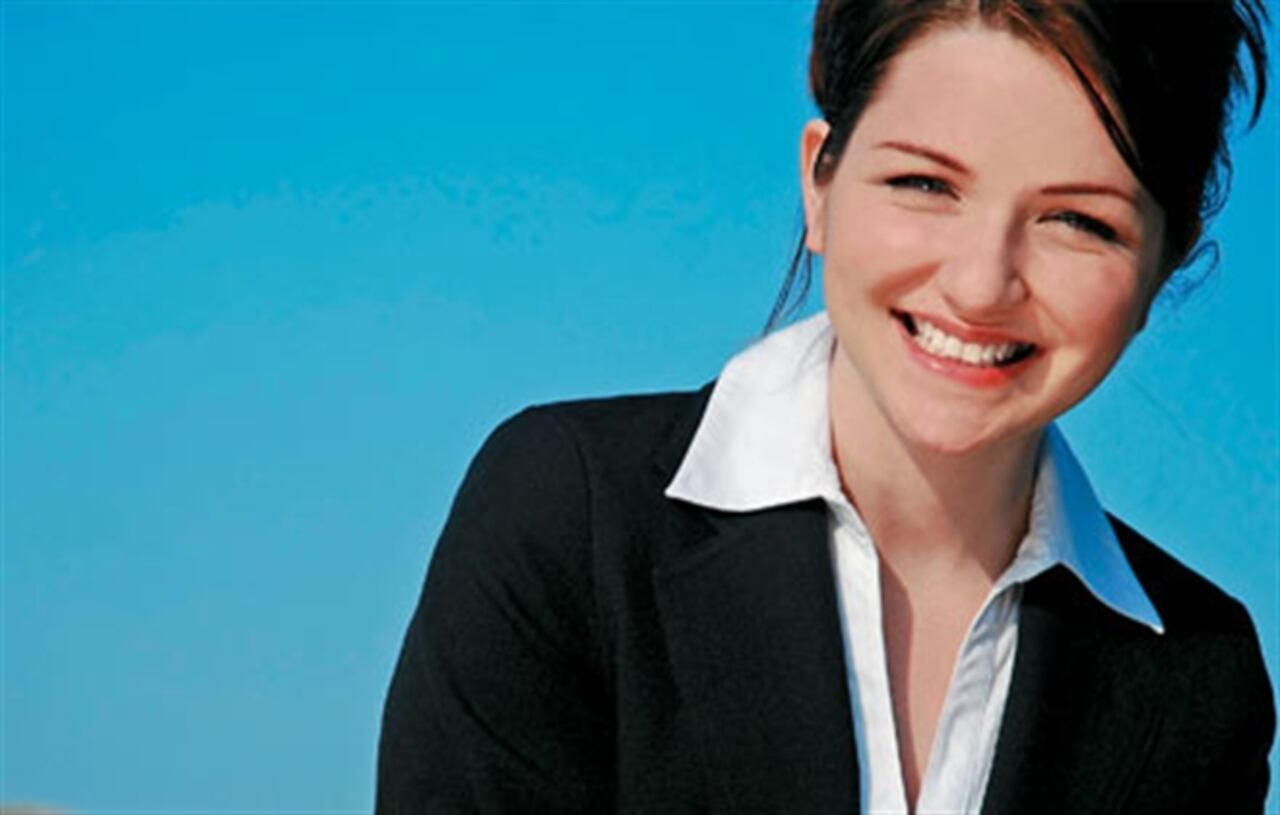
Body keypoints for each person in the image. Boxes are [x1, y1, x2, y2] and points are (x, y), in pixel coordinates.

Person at [377, 1, 1273, 812]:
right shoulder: (567, 519)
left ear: (1164, 266)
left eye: (1079, 222)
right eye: (925, 183)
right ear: (820, 182)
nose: (980, 284)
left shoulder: (1199, 675)